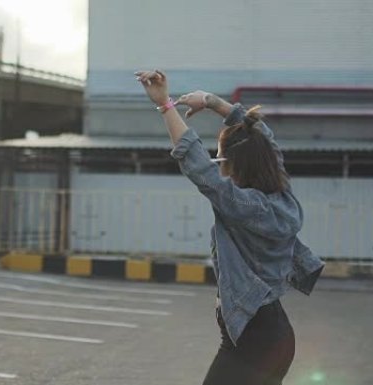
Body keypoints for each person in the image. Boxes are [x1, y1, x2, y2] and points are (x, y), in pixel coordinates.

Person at [135, 69, 325, 385]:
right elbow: (265, 139)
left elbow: (196, 164)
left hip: (255, 340)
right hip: (270, 334)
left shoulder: (241, 204)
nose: (219, 166)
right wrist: (211, 102)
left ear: (237, 164)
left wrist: (166, 106)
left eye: (221, 160)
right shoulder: (281, 197)